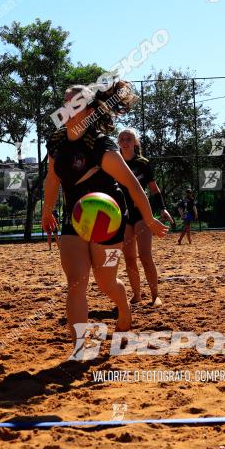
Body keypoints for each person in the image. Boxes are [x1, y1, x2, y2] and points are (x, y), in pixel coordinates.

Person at [42, 82, 168, 345]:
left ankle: (124, 307)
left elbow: (132, 184)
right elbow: (53, 179)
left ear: (89, 112)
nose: (66, 108)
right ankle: (80, 345)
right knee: (76, 282)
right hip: (74, 219)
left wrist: (148, 218)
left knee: (106, 282)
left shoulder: (100, 145)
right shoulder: (55, 141)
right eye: (65, 103)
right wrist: (46, 210)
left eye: (74, 105)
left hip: (109, 220)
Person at [117, 127, 174, 307]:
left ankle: (155, 295)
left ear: (135, 142)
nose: (125, 141)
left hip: (142, 213)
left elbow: (154, 189)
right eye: (122, 138)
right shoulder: (114, 162)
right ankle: (136, 295)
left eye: (129, 138)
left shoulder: (142, 163)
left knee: (145, 255)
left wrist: (162, 209)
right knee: (129, 258)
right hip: (124, 216)